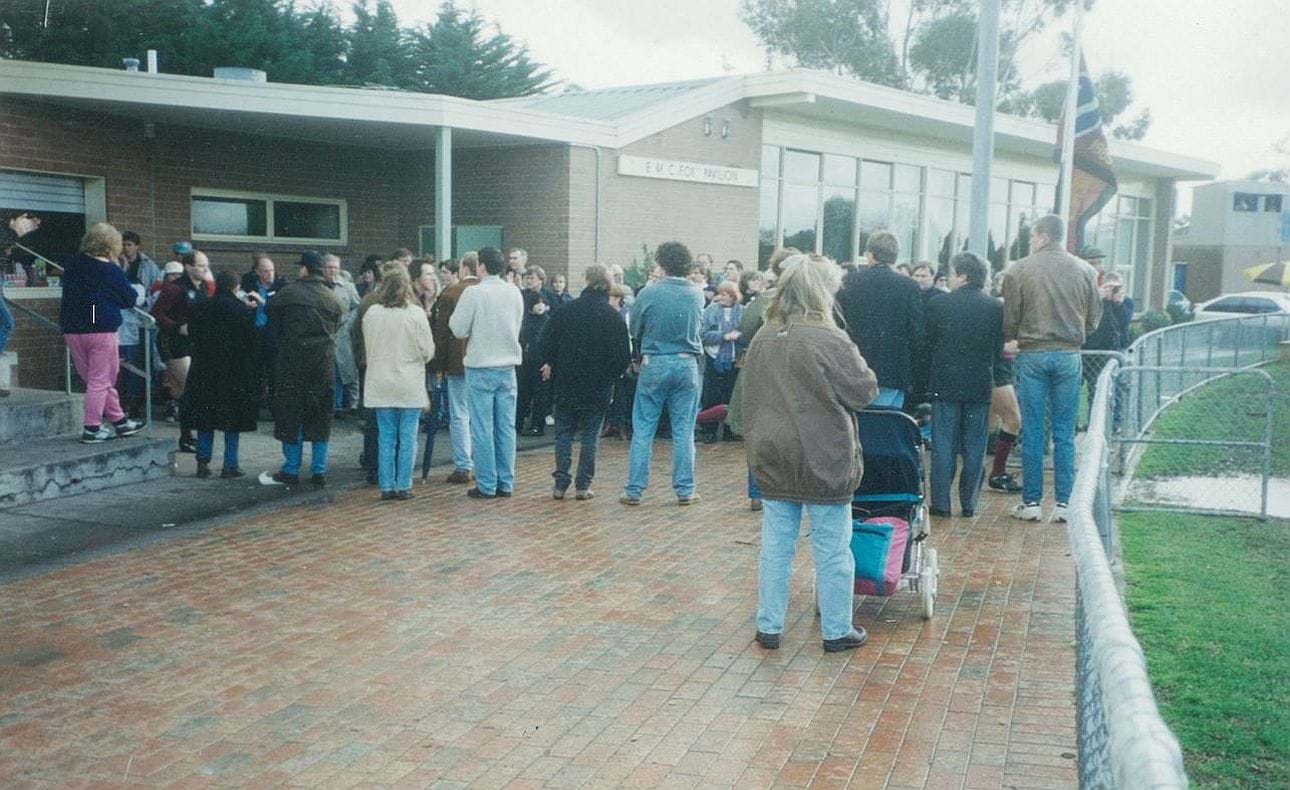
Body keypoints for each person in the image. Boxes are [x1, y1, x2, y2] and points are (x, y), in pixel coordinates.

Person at [743, 253, 878, 653]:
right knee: (833, 547)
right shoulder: (830, 338)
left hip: (773, 451)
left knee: (776, 546)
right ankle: (836, 630)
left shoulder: (764, 336)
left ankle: (769, 624)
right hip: (825, 453)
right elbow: (863, 391)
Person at [1002, 214, 1101, 523]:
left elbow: (1010, 319)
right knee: (1064, 432)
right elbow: (1094, 317)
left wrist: (1018, 335)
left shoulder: (1019, 269)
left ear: (1043, 235)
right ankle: (1064, 503)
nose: (1030, 241)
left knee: (1033, 429)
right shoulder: (1085, 269)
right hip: (1070, 354)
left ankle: (1031, 502)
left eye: (1032, 236)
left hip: (1032, 353)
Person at [621, 241, 705, 506]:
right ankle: (685, 489)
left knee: (644, 427)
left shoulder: (649, 292)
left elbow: (634, 328)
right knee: (684, 430)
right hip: (687, 362)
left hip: (654, 361)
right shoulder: (696, 293)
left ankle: (634, 490)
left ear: (662, 262)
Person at [538, 264, 632, 500]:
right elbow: (623, 356)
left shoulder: (566, 311)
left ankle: (560, 482)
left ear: (585, 280)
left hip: (567, 381)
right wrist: (610, 376)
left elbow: (545, 341)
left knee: (564, 433)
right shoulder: (613, 317)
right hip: (599, 385)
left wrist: (553, 362)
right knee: (591, 434)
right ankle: (583, 484)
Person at [925, 252, 1002, 519]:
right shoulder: (995, 307)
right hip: (979, 385)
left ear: (962, 275)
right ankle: (969, 502)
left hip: (945, 384)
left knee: (943, 446)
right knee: (974, 447)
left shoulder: (938, 304)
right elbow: (998, 350)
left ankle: (941, 503)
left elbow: (927, 345)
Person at [260, 251, 344, 488]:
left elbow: (270, 312)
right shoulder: (333, 299)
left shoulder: (289, 293)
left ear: (305, 270)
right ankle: (319, 471)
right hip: (323, 365)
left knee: (290, 416)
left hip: (292, 364)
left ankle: (291, 470)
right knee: (321, 418)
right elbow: (339, 322)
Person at [58, 222, 146, 442]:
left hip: (73, 328)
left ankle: (120, 421)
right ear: (112, 245)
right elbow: (129, 299)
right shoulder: (110, 270)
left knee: (96, 379)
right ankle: (92, 428)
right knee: (101, 379)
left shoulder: (73, 264)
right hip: (100, 326)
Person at [449, 246, 524, 499]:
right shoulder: (514, 292)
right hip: (508, 367)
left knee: (482, 428)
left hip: (480, 366)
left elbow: (458, 329)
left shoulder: (474, 293)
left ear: (481, 266)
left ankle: (487, 484)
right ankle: (506, 481)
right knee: (506, 427)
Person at [362, 266, 435, 501]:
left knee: (386, 437)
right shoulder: (415, 314)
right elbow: (428, 351)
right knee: (408, 438)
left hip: (380, 382)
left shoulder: (372, 313)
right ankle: (404, 485)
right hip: (408, 383)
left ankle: (386, 486)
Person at [186, 270, 259, 479]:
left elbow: (192, 334)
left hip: (203, 370)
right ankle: (230, 465)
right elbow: (251, 344)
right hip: (232, 373)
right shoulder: (241, 311)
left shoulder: (200, 307)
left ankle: (202, 462)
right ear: (236, 288)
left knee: (204, 419)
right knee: (232, 421)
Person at [835, 231, 924, 402]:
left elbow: (839, 325)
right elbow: (916, 333)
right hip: (893, 371)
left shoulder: (848, 282)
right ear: (895, 257)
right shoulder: (909, 286)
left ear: (869, 255)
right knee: (887, 423)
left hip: (855, 367)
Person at [151, 249, 216, 452]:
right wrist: (177, 327)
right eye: (201, 265)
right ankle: (187, 437)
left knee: (181, 390)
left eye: (207, 265)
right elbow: (157, 313)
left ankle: (165, 393)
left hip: (194, 342)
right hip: (174, 341)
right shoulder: (175, 289)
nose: (205, 269)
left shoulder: (204, 287)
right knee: (190, 388)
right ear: (188, 267)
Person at [430, 250, 479, 484]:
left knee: (459, 414)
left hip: (457, 362)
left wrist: (439, 365)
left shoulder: (451, 292)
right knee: (481, 416)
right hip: (484, 362)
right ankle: (484, 463)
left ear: (464, 269)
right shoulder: (490, 291)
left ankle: (463, 465)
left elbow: (442, 334)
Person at [1, 213, 42, 396]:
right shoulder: (6, 232)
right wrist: (15, 233)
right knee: (6, 324)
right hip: (96, 321)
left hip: (96, 321)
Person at [699, 280, 743, 443]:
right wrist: (723, 337)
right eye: (720, 293)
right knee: (711, 395)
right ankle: (708, 430)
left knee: (731, 395)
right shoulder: (710, 311)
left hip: (734, 358)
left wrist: (738, 336)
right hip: (714, 357)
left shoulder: (742, 311)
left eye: (725, 294)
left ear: (733, 296)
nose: (721, 297)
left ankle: (729, 429)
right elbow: (702, 335)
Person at [240, 252, 285, 408]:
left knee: (274, 373)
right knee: (254, 372)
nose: (270, 274)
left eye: (272, 270)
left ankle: (274, 408)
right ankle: (253, 407)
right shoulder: (248, 282)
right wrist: (244, 302)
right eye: (265, 271)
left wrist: (263, 301)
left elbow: (280, 309)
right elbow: (239, 296)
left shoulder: (281, 285)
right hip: (253, 333)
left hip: (272, 336)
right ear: (257, 272)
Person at [323, 254, 361, 415]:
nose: (333, 271)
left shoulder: (347, 287)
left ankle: (353, 404)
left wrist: (348, 322)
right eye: (329, 267)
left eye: (335, 268)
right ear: (324, 268)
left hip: (343, 334)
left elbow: (358, 307)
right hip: (325, 334)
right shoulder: (319, 286)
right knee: (329, 372)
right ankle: (333, 405)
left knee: (348, 369)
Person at [516, 284, 551, 436]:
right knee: (523, 394)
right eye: (537, 303)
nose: (540, 306)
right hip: (525, 362)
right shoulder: (525, 322)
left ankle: (538, 424)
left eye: (542, 302)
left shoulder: (548, 321)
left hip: (541, 363)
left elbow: (552, 343)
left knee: (540, 396)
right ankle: (518, 422)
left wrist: (549, 362)